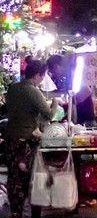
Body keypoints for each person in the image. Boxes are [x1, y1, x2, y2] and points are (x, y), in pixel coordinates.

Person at [5, 60, 59, 218]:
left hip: (11, 138)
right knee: (33, 178)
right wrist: (55, 102)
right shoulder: (33, 91)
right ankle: (34, 212)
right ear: (37, 75)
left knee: (15, 177)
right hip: (26, 141)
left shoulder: (12, 88)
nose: (43, 79)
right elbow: (48, 114)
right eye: (43, 76)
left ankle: (16, 211)